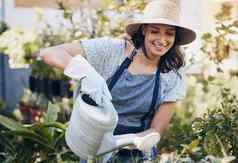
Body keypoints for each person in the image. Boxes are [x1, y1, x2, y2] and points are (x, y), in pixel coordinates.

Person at [38, 0, 196, 162]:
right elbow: (50, 53)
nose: (162, 39)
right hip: (95, 146)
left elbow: (157, 129)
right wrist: (86, 74)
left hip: (137, 151)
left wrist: (132, 140)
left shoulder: (173, 72)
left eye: (169, 33)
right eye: (155, 31)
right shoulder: (112, 51)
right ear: (144, 31)